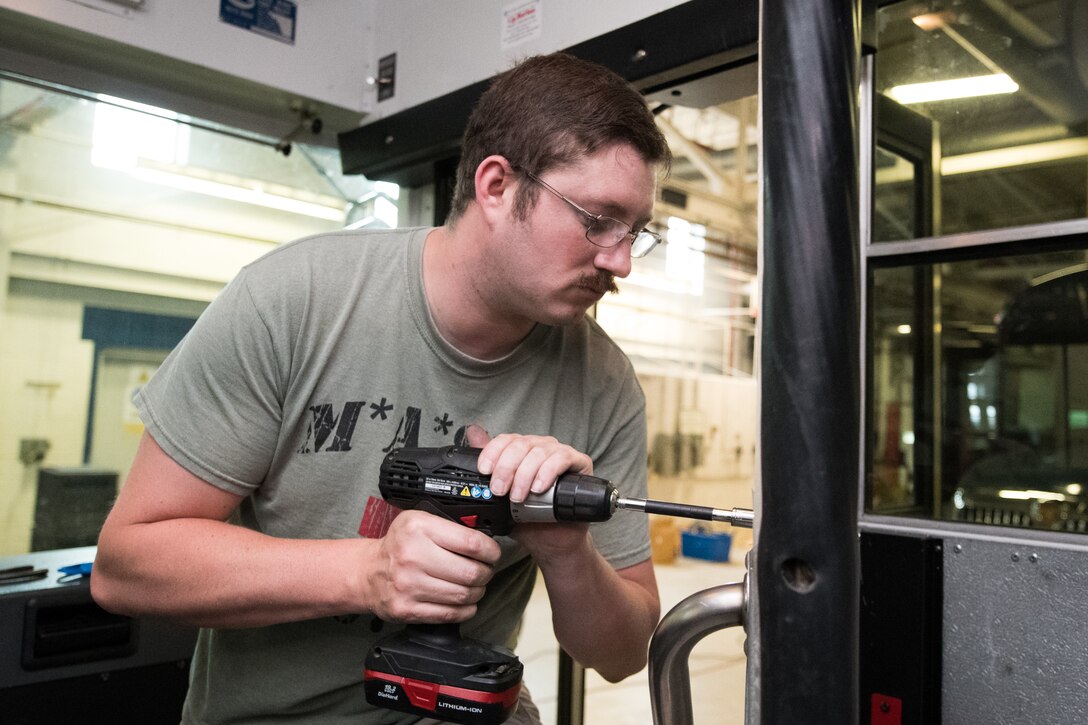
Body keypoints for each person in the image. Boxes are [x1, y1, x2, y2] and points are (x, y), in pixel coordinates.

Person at [92, 51, 671, 724]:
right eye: (597, 219)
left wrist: (565, 548)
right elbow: (127, 563)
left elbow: (624, 651)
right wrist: (368, 571)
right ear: (496, 187)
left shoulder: (603, 383)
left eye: (636, 232)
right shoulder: (294, 301)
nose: (621, 260)